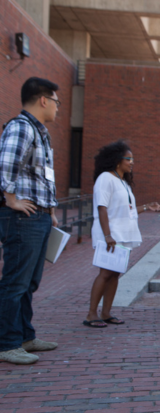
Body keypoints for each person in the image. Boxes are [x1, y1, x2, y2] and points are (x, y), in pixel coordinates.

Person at [0, 77, 60, 365]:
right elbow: (6, 164)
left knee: (29, 283)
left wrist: (50, 210)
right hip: (22, 218)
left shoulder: (41, 132)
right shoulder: (21, 127)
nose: (58, 107)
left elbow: (40, 178)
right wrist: (10, 199)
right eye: (56, 101)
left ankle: (25, 336)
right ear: (43, 100)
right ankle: (7, 344)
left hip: (38, 217)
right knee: (15, 283)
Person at [84, 141, 160, 328]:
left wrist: (147, 207)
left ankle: (106, 313)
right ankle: (91, 314)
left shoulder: (123, 182)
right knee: (105, 273)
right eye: (128, 159)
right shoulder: (105, 178)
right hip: (111, 234)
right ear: (116, 160)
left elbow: (125, 211)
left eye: (133, 159)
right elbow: (102, 208)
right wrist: (107, 235)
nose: (132, 162)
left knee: (115, 274)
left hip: (124, 234)